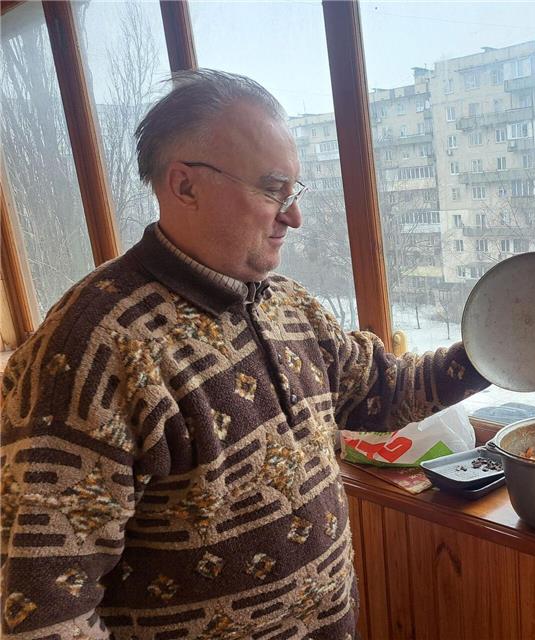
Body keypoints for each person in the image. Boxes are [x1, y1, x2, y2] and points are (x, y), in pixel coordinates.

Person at [0, 69, 489, 640]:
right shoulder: (94, 348)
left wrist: (490, 354)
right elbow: (44, 606)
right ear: (184, 186)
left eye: (294, 192)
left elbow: (382, 391)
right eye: (272, 190)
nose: (294, 216)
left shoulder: (288, 305)